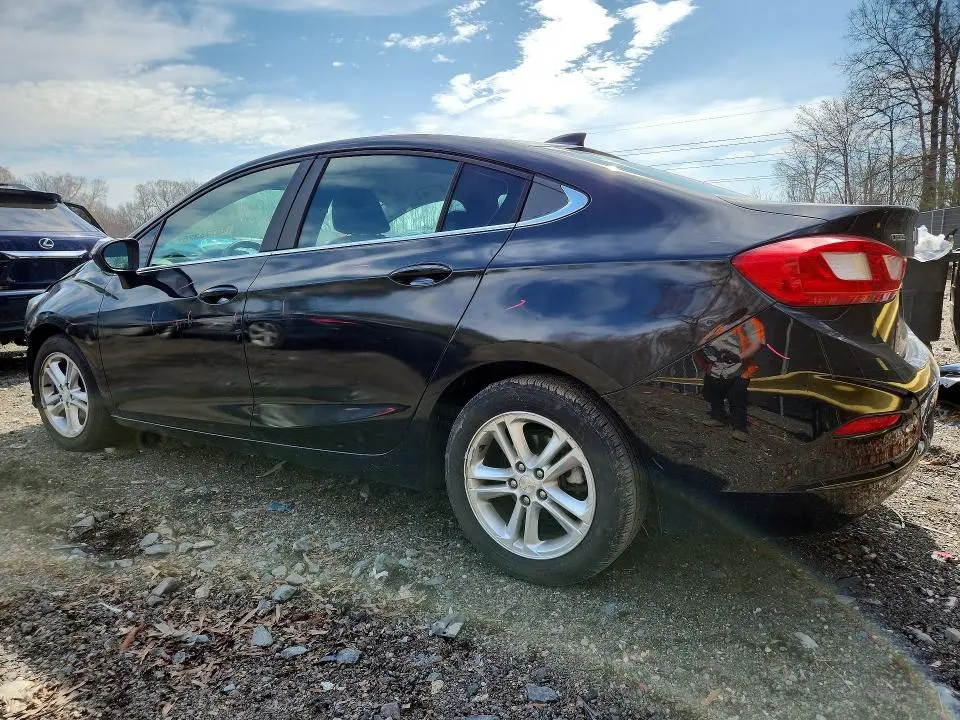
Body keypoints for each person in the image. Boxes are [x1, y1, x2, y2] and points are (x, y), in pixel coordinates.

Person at [694, 315, 766, 442]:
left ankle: (740, 428)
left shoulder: (749, 322)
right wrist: (701, 350)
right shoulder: (721, 325)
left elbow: (756, 344)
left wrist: (739, 356)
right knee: (712, 394)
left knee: (736, 398)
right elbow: (704, 342)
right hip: (716, 368)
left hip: (737, 368)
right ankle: (718, 418)